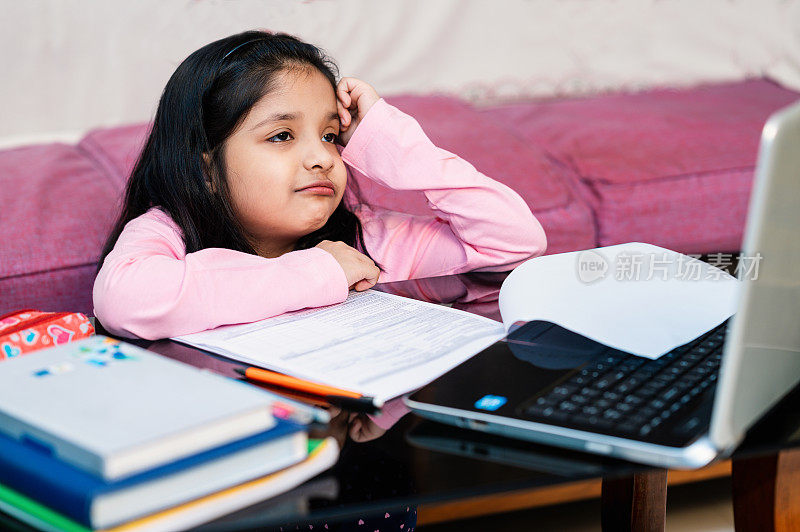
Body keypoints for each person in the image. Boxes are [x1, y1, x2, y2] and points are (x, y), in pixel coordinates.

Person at [93, 28, 545, 341]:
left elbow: (515, 244)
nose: (321, 157)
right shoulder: (169, 230)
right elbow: (125, 300)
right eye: (282, 136)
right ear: (207, 169)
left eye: (331, 136)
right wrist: (319, 272)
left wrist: (396, 145)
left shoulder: (370, 240)